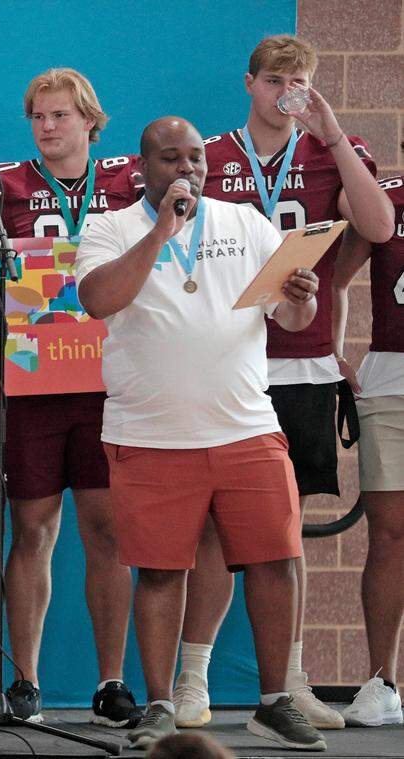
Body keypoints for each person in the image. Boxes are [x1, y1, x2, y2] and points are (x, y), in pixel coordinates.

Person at [76, 116, 326, 751]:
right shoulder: (110, 226)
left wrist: (303, 296)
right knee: (161, 572)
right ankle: (161, 703)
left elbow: (292, 315)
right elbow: (99, 299)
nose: (187, 169)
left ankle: (274, 702)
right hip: (151, 433)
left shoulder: (244, 222)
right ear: (142, 169)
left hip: (246, 425)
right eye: (170, 159)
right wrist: (163, 230)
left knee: (276, 560)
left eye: (195, 158)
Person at [182, 34, 393, 731]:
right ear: (250, 83)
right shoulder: (211, 157)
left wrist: (329, 132)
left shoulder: (333, 149)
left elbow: (379, 223)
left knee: (284, 529)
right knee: (214, 527)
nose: (287, 94)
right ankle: (193, 679)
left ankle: (290, 680)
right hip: (225, 356)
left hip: (300, 359)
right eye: (276, 81)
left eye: (299, 81)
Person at [0, 68, 142, 727]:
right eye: (38, 116)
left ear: (92, 119)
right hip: (33, 384)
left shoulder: (130, 185)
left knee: (108, 531)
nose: (47, 127)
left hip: (112, 381)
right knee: (32, 529)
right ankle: (25, 682)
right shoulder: (0, 189)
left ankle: (111, 682)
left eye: (60, 115)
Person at [333, 177, 404, 728]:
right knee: (389, 533)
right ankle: (382, 680)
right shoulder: (387, 196)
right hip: (392, 378)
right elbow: (335, 279)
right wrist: (332, 353)